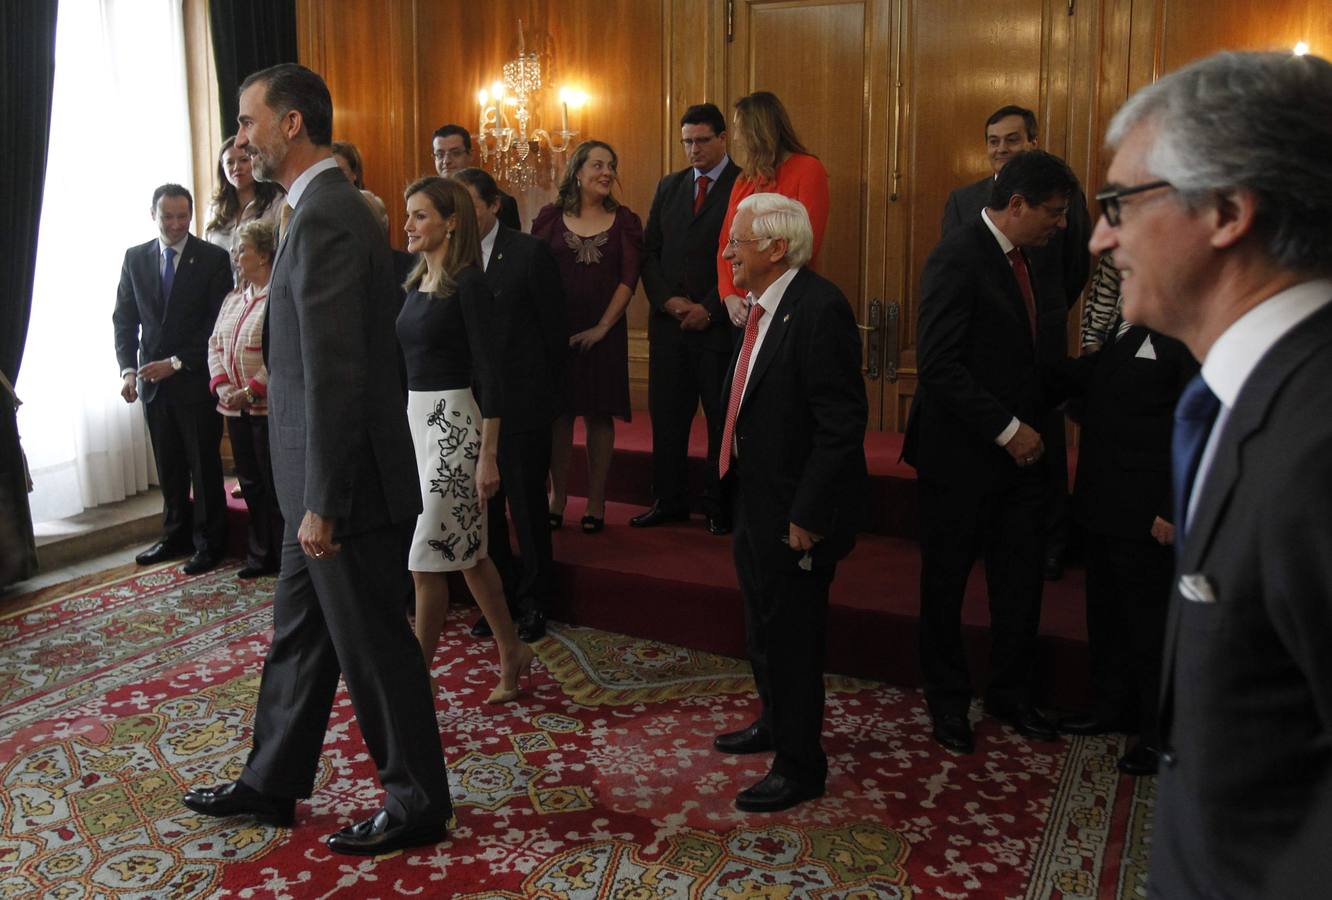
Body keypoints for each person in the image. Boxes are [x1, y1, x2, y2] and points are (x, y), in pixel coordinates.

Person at [182, 63, 451, 857]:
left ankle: (417, 803)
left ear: (291, 124)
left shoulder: (330, 213)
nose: (241, 138)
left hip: (347, 490)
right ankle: (271, 781)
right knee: (299, 641)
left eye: (246, 121)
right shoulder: (312, 209)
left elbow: (338, 372)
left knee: (375, 650)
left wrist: (325, 501)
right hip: (318, 482)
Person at [1088, 50, 1332, 897]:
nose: (1099, 236)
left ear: (1227, 210)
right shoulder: (1241, 390)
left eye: (1119, 203)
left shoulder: (1319, 438)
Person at [903, 150, 1077, 755]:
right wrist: (1009, 429)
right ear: (1019, 205)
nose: (1061, 224)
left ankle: (1011, 694)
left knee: (1021, 583)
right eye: (1052, 213)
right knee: (945, 587)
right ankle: (947, 703)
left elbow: (1035, 355)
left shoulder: (1037, 258)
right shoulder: (956, 257)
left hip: (1023, 458)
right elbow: (940, 366)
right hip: (960, 456)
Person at [713, 193, 867, 813]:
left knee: (795, 639)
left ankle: (801, 764)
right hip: (755, 496)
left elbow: (840, 424)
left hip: (795, 511)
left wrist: (807, 514)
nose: (728, 253)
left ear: (777, 248)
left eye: (738, 242)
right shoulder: (761, 308)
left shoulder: (819, 306)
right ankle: (775, 721)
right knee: (763, 628)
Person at [941, 105, 1093, 582]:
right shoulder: (963, 200)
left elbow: (1073, 268)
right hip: (981, 353)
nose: (1000, 149)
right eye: (993, 141)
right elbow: (953, 272)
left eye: (1011, 139)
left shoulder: (1062, 197)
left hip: (1040, 345)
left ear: (1033, 141)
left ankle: (1050, 543)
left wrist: (1040, 314)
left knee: (1041, 448)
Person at [398, 175, 534, 693]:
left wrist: (488, 456)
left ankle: (415, 679)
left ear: (451, 222)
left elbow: (490, 373)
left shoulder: (470, 284)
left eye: (421, 215)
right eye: (409, 214)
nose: (409, 224)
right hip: (417, 424)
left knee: (426, 560)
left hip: (456, 428)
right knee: (472, 556)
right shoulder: (414, 284)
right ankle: (512, 649)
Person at [1046, 317, 1195, 776]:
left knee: (1149, 628)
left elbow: (1194, 424)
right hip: (1103, 502)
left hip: (1148, 512)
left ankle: (1156, 733)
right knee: (1107, 616)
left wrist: (1174, 506)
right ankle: (1111, 706)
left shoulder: (1184, 333)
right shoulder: (1123, 328)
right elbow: (1091, 378)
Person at [452, 166, 567, 642]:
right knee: (486, 511)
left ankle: (537, 600)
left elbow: (553, 333)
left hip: (521, 404)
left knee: (525, 507)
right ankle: (501, 598)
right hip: (468, 405)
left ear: (493, 205)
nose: (458, 217)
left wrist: (543, 401)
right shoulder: (450, 259)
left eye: (468, 206)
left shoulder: (528, 252)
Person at [114, 184, 232, 575]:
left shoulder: (213, 259)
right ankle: (175, 535)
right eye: (168, 216)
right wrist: (128, 370)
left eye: (183, 216)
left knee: (204, 466)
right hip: (152, 384)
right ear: (154, 214)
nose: (176, 224)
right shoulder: (136, 258)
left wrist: (178, 363)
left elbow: (216, 326)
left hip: (195, 381)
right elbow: (125, 319)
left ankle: (209, 543)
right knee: (169, 466)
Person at [634, 102, 740, 536]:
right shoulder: (670, 185)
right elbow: (649, 252)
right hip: (670, 325)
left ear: (722, 139)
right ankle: (669, 500)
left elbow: (743, 255)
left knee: (719, 419)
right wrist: (669, 301)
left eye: (701, 141)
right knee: (668, 417)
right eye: (686, 142)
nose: (693, 149)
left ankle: (718, 504)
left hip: (718, 325)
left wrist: (708, 308)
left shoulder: (742, 185)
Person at [531, 140, 644, 534]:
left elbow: (629, 279)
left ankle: (596, 501)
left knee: (599, 415)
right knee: (558, 416)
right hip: (557, 335)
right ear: (577, 172)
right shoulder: (549, 218)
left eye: (611, 166)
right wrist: (549, 329)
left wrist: (601, 328)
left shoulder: (626, 221)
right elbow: (537, 276)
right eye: (597, 164)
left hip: (605, 333)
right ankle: (557, 497)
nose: (606, 172)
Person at [206, 219, 283, 579]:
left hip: (266, 409)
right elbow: (215, 344)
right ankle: (259, 554)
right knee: (249, 482)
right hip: (235, 410)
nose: (236, 256)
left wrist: (252, 390)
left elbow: (280, 353)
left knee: (272, 483)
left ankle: (282, 556)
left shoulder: (278, 297)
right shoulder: (234, 298)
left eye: (243, 249)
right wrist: (223, 388)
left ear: (265, 254)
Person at [715, 91, 829, 328]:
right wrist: (729, 297)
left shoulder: (808, 169)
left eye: (739, 128)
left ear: (757, 130)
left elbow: (805, 246)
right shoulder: (744, 180)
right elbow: (725, 243)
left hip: (787, 305)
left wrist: (763, 297)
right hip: (742, 311)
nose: (736, 138)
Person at [204, 135, 284, 265]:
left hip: (263, 283)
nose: (236, 168)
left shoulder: (277, 202)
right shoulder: (215, 207)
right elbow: (206, 252)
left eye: (243, 160)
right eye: (230, 162)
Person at [431, 123, 520, 229]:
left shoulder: (501, 202)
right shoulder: (427, 200)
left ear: (470, 155)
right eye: (440, 155)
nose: (446, 161)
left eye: (455, 153)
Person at [331, 140, 389, 229]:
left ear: (354, 173)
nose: (332, 177)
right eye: (328, 171)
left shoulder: (368, 202)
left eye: (340, 171)